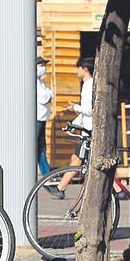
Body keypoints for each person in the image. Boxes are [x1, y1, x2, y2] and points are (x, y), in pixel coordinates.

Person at [49, 57, 95, 198]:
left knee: (78, 159)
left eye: (78, 68)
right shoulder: (88, 84)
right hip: (87, 128)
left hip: (89, 130)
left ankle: (60, 187)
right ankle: (60, 187)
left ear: (85, 69)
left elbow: (90, 110)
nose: (76, 71)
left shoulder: (88, 85)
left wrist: (75, 107)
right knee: (79, 158)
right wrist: (74, 123)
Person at [35, 56, 53, 178]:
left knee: (42, 147)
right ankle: (43, 172)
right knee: (36, 146)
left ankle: (46, 172)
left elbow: (49, 95)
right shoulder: (35, 82)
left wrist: (50, 95)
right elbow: (44, 97)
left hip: (42, 118)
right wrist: (50, 95)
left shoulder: (41, 82)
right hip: (37, 118)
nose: (43, 68)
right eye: (41, 66)